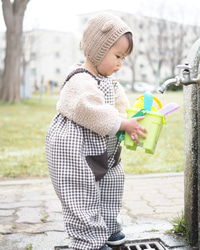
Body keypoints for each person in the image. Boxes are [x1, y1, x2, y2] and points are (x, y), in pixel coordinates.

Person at [45, 12, 147, 250]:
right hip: (74, 150)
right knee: (81, 193)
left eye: (124, 57)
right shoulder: (80, 80)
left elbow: (120, 108)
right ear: (98, 50)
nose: (121, 62)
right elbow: (90, 110)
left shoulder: (108, 80)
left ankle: (108, 226)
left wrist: (130, 122)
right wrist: (121, 123)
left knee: (113, 182)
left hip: (103, 148)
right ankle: (88, 239)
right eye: (118, 55)